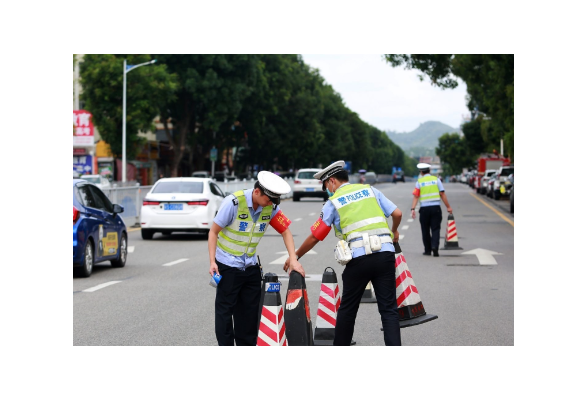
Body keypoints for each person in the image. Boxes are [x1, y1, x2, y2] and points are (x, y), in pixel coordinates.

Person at [283, 161, 403, 346]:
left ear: (332, 182)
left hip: (358, 259)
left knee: (348, 309)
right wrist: (394, 231)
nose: (327, 191)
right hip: (385, 254)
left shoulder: (334, 201)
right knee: (388, 309)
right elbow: (397, 213)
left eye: (325, 187)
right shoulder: (370, 190)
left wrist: (296, 256)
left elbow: (316, 236)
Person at [208, 171, 304, 346]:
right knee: (224, 312)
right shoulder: (234, 203)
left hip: (250, 267)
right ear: (257, 192)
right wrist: (212, 262)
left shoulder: (271, 207)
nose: (271, 204)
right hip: (228, 266)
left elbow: (285, 231)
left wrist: (293, 258)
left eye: (274, 201)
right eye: (269, 199)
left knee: (249, 315)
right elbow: (213, 232)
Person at [410, 163, 453, 257]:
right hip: (436, 209)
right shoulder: (436, 180)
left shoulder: (419, 182)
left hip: (424, 209)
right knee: (435, 229)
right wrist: (448, 207)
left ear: (421, 172)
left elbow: (416, 196)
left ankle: (428, 250)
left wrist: (413, 208)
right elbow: (442, 194)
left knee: (425, 230)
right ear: (429, 170)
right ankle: (435, 247)